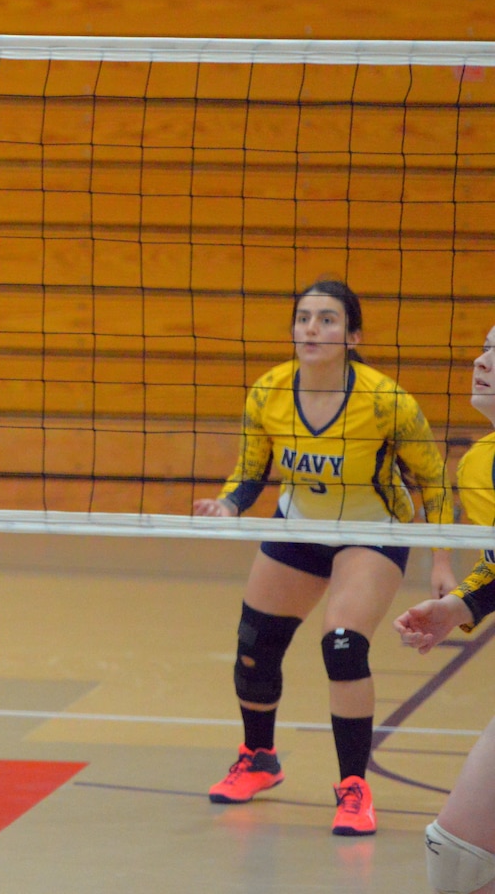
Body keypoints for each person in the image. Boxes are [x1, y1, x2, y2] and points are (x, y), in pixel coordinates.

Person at [193, 279, 454, 837]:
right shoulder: (268, 392)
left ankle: (354, 788)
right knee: (254, 645)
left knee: (343, 646)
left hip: (371, 530)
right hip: (299, 524)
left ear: (352, 335)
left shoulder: (387, 402)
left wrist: (442, 561)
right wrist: (228, 504)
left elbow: (433, 480)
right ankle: (259, 758)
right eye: (304, 318)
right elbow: (250, 470)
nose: (312, 328)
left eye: (327, 320)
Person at [395, 323, 495, 894]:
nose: (480, 360)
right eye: (482, 346)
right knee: (457, 856)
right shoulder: (479, 465)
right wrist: (458, 604)